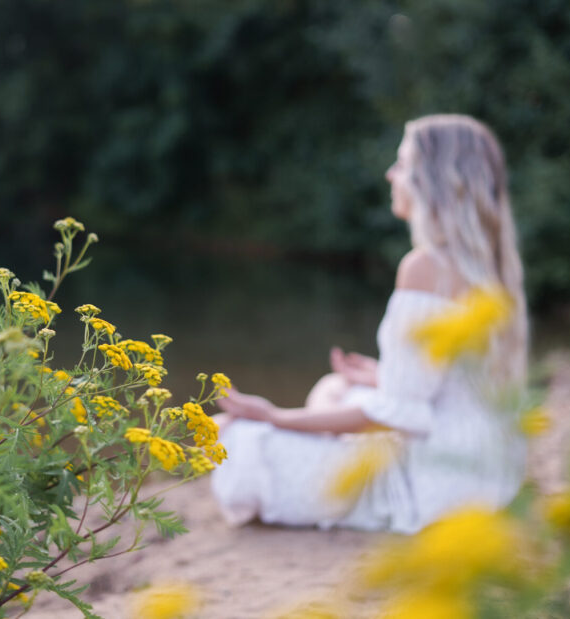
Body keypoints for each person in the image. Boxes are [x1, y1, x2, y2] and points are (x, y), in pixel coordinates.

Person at [210, 114, 528, 534]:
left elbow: (398, 417)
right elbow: (461, 386)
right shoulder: (491, 263)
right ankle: (322, 440)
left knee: (231, 437)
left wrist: (274, 416)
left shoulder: (426, 267)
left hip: (437, 483)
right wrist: (384, 377)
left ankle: (301, 445)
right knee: (334, 388)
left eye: (402, 164)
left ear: (432, 182)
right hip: (491, 471)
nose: (390, 174)